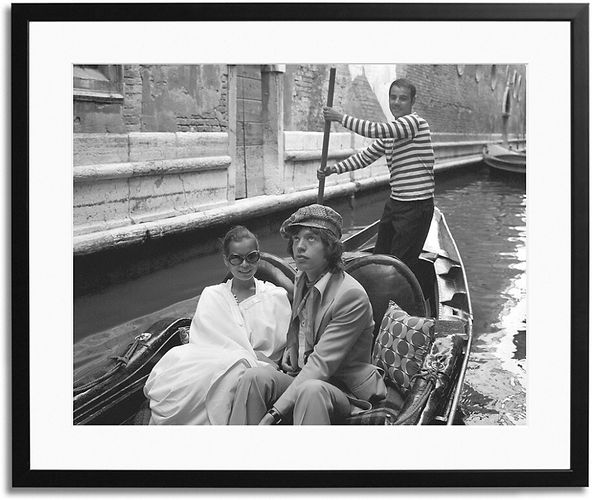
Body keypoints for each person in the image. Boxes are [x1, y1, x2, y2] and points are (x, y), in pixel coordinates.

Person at [229, 204, 386, 425]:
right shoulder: (302, 278)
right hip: (302, 374)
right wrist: (292, 346)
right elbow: (300, 325)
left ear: (330, 247)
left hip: (344, 388)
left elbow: (321, 366)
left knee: (310, 390)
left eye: (311, 239)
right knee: (254, 377)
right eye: (295, 239)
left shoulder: (351, 296)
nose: (299, 247)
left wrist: (273, 414)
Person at [144, 226, 291, 425]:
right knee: (176, 365)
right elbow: (206, 341)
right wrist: (248, 355)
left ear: (258, 257)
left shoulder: (275, 296)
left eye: (251, 257)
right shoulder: (212, 294)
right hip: (213, 357)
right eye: (236, 258)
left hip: (257, 368)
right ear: (226, 260)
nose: (244, 265)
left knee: (228, 371)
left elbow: (284, 343)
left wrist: (255, 358)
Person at [320, 78, 435, 272]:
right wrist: (334, 169)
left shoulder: (414, 124)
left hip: (416, 206)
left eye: (403, 98)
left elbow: (375, 130)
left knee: (400, 266)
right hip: (396, 203)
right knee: (380, 256)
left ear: (412, 102)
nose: (396, 103)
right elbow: (366, 156)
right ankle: (380, 295)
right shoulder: (392, 133)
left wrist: (340, 117)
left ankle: (397, 301)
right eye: (393, 97)